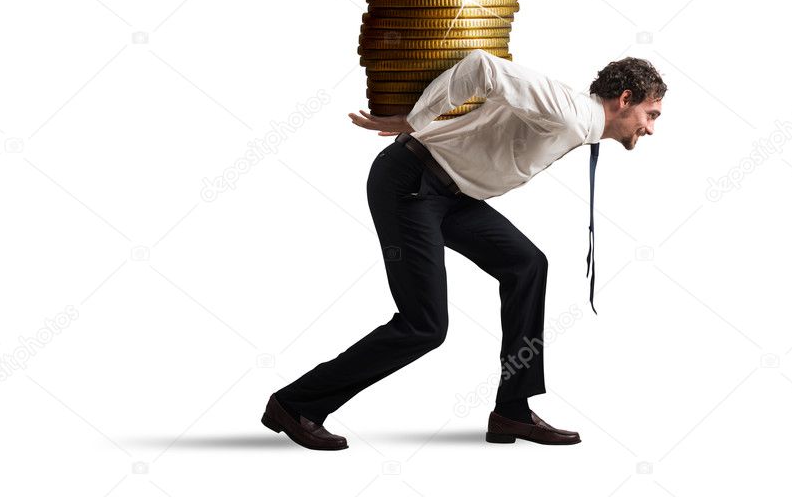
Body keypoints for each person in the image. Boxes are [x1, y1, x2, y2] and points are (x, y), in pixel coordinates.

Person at [261, 50, 666, 451]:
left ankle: (513, 411)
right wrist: (414, 119)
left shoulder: (580, 122)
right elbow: (481, 66)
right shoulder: (571, 111)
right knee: (425, 326)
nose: (650, 129)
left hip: (451, 194)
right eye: (651, 115)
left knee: (527, 265)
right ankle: (295, 405)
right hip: (412, 183)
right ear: (625, 99)